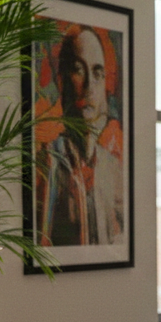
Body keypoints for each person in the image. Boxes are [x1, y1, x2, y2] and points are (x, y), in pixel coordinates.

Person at [39, 25, 125, 246]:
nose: (89, 86)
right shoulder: (47, 162)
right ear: (62, 81)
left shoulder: (112, 168)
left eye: (97, 73)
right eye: (78, 69)